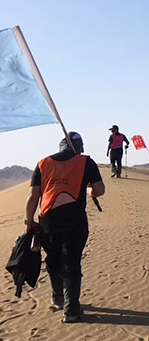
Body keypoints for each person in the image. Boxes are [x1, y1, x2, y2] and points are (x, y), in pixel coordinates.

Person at [24, 131, 104, 323]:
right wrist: (87, 188)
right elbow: (99, 190)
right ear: (79, 146)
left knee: (53, 260)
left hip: (47, 222)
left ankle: (57, 298)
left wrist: (29, 222)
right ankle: (71, 309)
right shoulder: (86, 162)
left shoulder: (43, 163)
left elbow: (33, 195)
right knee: (71, 263)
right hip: (74, 222)